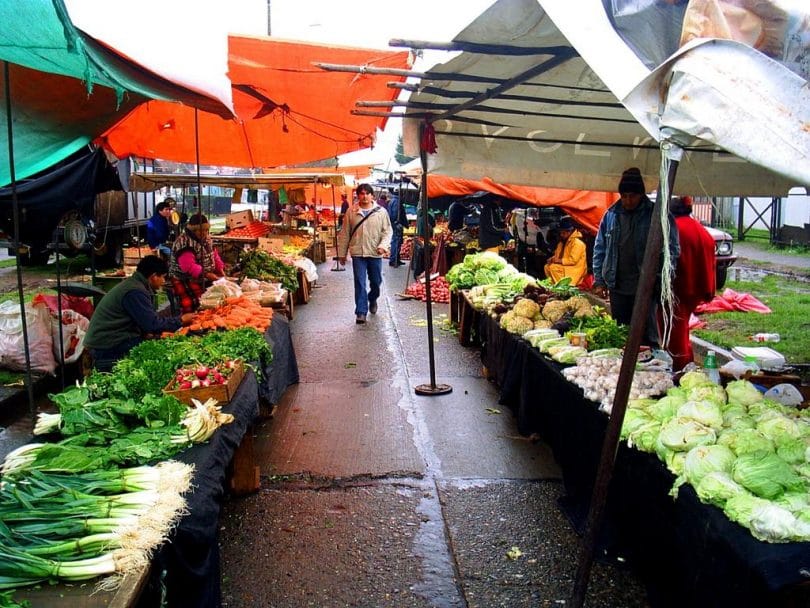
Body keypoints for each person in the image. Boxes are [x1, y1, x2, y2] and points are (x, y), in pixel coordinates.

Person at [592, 167, 679, 348]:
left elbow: (672, 251)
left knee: (647, 335)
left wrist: (661, 281)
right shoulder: (611, 215)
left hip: (646, 287)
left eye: (632, 196)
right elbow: (600, 249)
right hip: (617, 287)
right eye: (624, 196)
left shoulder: (657, 215)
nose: (627, 200)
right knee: (620, 334)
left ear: (641, 194)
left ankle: (650, 363)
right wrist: (599, 281)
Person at [84, 256, 194, 372]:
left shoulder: (135, 285)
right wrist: (180, 320)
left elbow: (143, 321)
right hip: (107, 345)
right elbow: (152, 324)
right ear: (153, 276)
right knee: (155, 358)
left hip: (110, 340)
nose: (163, 281)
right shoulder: (135, 291)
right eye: (163, 277)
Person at [666, 196, 716, 371]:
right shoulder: (700, 229)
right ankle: (687, 362)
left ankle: (680, 367)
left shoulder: (675, 229)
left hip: (679, 287)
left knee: (675, 333)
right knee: (682, 327)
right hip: (696, 288)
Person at [337, 183, 393, 324]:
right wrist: (342, 253)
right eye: (362, 193)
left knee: (376, 281)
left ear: (372, 195)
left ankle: (372, 298)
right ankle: (361, 312)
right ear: (358, 196)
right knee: (359, 282)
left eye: (367, 193)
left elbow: (387, 232)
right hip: (358, 252)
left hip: (375, 252)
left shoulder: (381, 212)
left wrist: (383, 246)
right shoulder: (351, 211)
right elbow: (345, 233)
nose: (365, 196)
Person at [169, 213, 226, 313]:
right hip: (185, 278)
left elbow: (214, 255)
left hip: (204, 276)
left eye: (206, 230)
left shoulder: (206, 239)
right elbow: (188, 266)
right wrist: (207, 274)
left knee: (218, 297)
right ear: (193, 230)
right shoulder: (184, 242)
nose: (204, 233)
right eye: (200, 230)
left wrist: (220, 269)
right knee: (197, 303)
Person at [543, 216, 588, 285]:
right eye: (561, 233)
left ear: (569, 232)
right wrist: (552, 259)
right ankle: (553, 285)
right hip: (566, 266)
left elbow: (573, 260)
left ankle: (563, 286)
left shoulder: (577, 243)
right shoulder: (561, 243)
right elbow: (557, 255)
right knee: (547, 267)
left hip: (574, 268)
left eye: (563, 233)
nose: (561, 235)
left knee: (553, 268)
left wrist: (558, 261)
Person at [388, 192, 407, 267]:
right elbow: (395, 214)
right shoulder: (396, 201)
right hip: (396, 225)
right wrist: (397, 222)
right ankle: (393, 260)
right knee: (396, 242)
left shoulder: (393, 200)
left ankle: (396, 259)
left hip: (394, 224)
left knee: (397, 242)